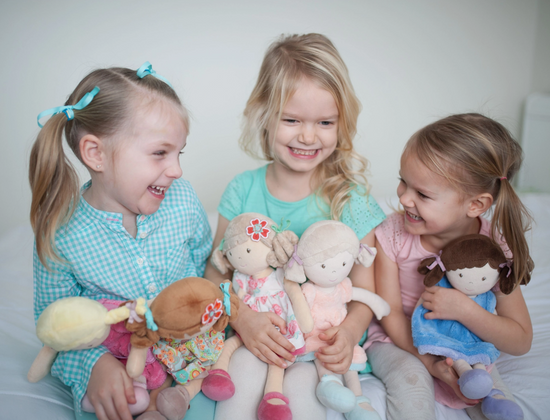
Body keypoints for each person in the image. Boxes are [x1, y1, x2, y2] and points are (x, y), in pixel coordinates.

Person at [204, 33, 386, 420]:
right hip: (253, 340)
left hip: (317, 350)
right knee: (234, 397)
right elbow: (213, 274)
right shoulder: (242, 189)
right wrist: (242, 319)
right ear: (265, 117)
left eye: (325, 122)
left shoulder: (350, 200)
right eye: (291, 120)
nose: (307, 136)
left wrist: (349, 335)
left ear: (343, 122)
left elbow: (365, 295)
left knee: (308, 401)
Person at [30, 62, 212, 420]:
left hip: (192, 360)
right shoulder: (60, 236)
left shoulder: (184, 201)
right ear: (95, 154)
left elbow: (203, 264)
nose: (176, 170)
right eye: (160, 153)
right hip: (123, 368)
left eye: (179, 153)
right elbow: (56, 327)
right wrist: (93, 366)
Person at [368, 113, 533, 420]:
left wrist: (466, 312)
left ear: (476, 205)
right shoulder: (392, 234)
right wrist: (429, 361)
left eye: (422, 194)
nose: (403, 198)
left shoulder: (493, 248)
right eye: (403, 182)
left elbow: (521, 339)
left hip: (464, 347)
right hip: (399, 339)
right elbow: (388, 311)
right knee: (412, 388)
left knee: (496, 403)